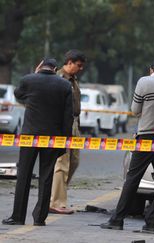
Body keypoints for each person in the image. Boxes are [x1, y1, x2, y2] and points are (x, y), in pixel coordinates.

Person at [100, 58, 154, 232]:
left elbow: (135, 110)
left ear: (151, 70)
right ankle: (152, 224)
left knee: (133, 178)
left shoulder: (144, 82)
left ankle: (117, 220)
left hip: (146, 136)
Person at [2, 58, 73, 226]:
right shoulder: (64, 85)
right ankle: (39, 218)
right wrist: (64, 143)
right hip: (52, 138)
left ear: (41, 67)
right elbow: (67, 117)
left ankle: (17, 217)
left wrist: (34, 73)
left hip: (29, 136)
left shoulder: (29, 80)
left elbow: (18, 94)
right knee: (46, 177)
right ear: (55, 69)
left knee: (24, 176)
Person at [49, 50, 86, 215]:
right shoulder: (58, 79)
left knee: (74, 161)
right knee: (62, 164)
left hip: (74, 123)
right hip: (63, 124)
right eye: (78, 65)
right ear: (69, 62)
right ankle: (56, 202)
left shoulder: (73, 79)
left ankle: (57, 194)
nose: (81, 69)